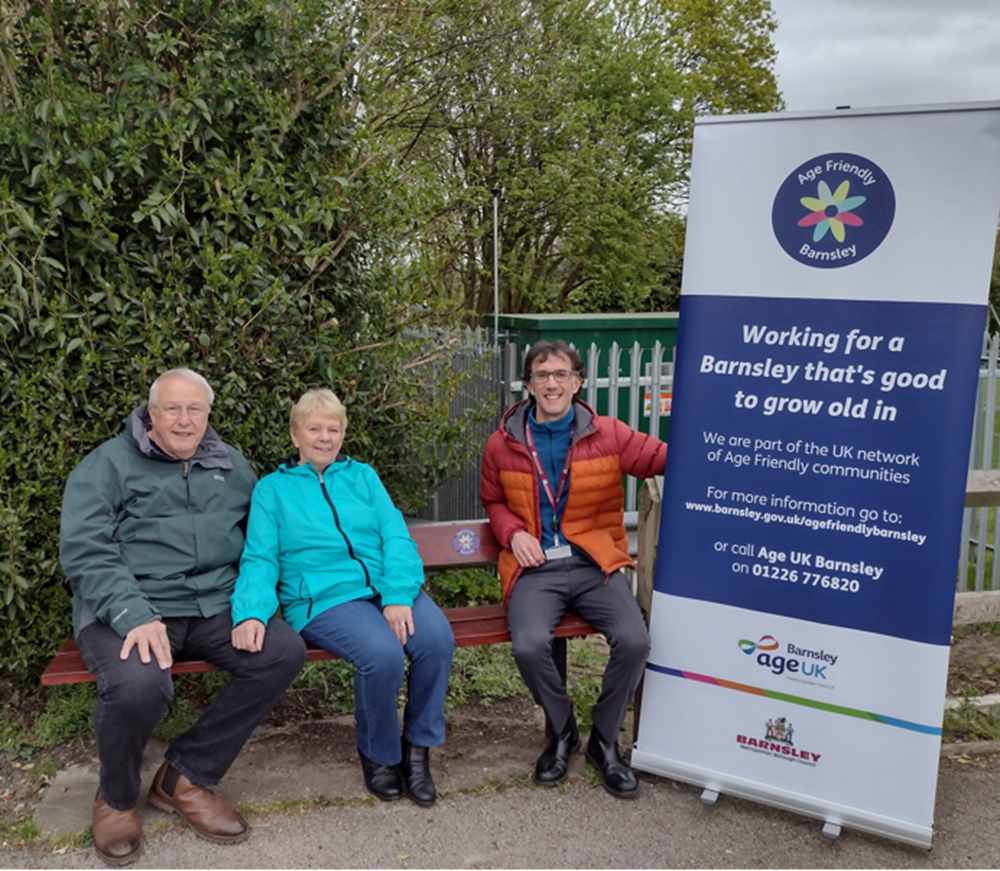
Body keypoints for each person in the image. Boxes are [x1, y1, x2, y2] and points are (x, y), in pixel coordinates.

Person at [59, 368, 306, 867]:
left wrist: (254, 607)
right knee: (139, 684)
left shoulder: (230, 464)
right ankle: (117, 795)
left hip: (212, 604)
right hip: (128, 608)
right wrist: (133, 614)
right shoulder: (107, 465)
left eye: (195, 409)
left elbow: (261, 544)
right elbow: (85, 550)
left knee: (280, 652)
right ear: (151, 414)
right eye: (172, 408)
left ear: (208, 415)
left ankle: (185, 776)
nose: (184, 419)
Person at [231, 388, 455, 807]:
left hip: (387, 591)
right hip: (324, 600)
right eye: (314, 428)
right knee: (383, 654)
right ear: (295, 435)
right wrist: (252, 613)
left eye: (333, 429)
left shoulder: (363, 477)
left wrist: (398, 594)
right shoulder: (272, 490)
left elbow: (395, 536)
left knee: (436, 641)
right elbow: (260, 557)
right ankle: (380, 755)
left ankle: (418, 750)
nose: (324, 437)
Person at [480, 340, 666, 799]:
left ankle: (605, 741)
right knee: (528, 646)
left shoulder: (609, 434)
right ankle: (562, 732)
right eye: (542, 376)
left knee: (635, 640)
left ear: (578, 381)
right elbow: (493, 500)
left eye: (561, 375)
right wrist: (513, 534)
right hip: (535, 569)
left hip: (593, 563)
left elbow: (662, 457)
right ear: (528, 385)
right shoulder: (503, 442)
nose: (552, 384)